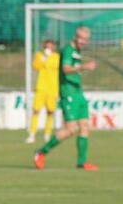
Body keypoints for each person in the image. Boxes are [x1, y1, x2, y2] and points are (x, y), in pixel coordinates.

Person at [34, 26, 97, 170]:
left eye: (86, 40)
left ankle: (82, 162)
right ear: (75, 37)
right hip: (68, 93)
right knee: (70, 129)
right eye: (81, 39)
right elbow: (66, 69)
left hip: (78, 92)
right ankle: (42, 152)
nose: (83, 42)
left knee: (85, 125)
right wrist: (84, 67)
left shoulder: (77, 51)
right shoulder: (68, 50)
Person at [26, 39, 59, 144]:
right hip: (41, 87)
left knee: (50, 112)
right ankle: (32, 134)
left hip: (52, 89)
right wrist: (44, 57)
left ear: (53, 47)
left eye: (51, 46)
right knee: (36, 111)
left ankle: (47, 134)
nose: (49, 48)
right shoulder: (39, 55)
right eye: (47, 46)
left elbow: (59, 69)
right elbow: (36, 66)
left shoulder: (57, 57)